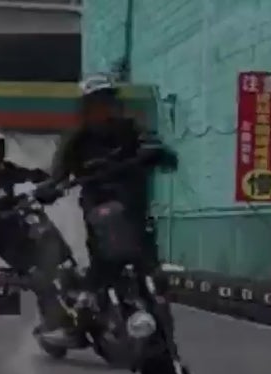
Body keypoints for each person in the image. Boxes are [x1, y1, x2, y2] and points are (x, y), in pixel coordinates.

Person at [45, 74, 176, 292]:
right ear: (86, 108)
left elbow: (153, 144)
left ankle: (154, 285)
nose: (104, 107)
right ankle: (92, 295)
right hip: (97, 202)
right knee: (99, 254)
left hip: (132, 202)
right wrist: (50, 188)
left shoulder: (131, 128)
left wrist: (155, 152)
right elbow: (58, 173)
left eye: (108, 100)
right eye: (97, 103)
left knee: (151, 261)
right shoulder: (75, 139)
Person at [0, 125, 67, 336]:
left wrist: (53, 185)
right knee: (38, 276)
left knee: (65, 263)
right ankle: (53, 321)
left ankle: (83, 307)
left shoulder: (13, 172)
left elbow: (39, 180)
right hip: (7, 239)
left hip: (36, 227)